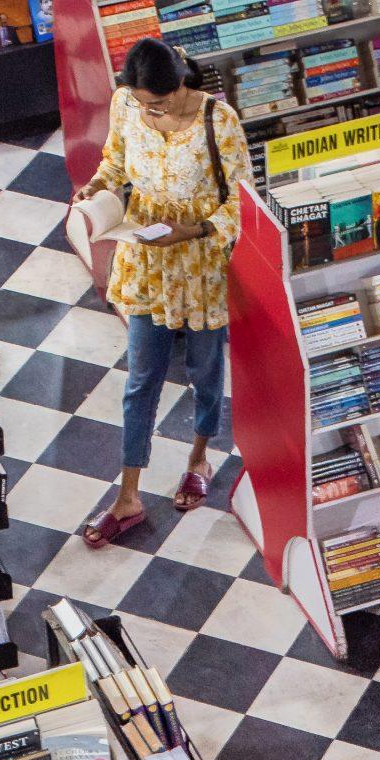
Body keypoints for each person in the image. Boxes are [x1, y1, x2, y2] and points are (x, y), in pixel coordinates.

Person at [70, 38, 252, 547]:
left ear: (181, 84)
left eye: (165, 101)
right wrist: (96, 187)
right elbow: (115, 162)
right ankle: (128, 495)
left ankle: (198, 458)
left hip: (200, 265)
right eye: (148, 103)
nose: (156, 110)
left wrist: (190, 231)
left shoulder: (220, 122)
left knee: (205, 372)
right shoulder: (126, 102)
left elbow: (240, 207)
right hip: (146, 261)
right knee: (140, 380)